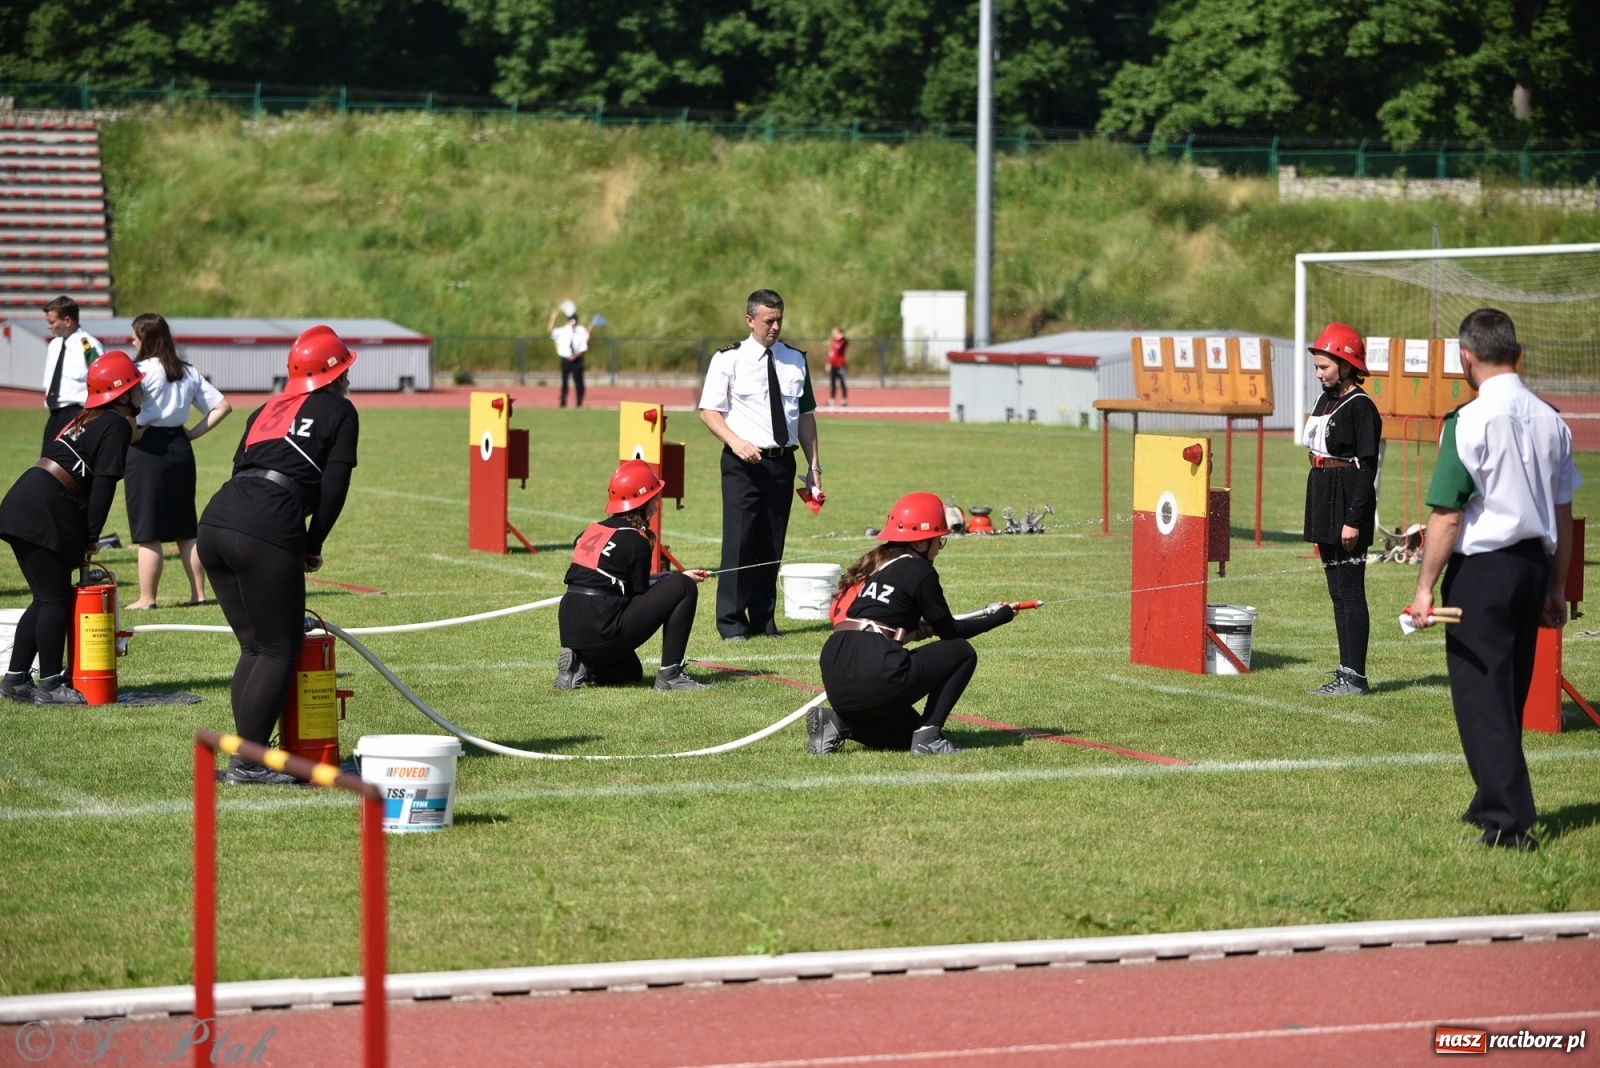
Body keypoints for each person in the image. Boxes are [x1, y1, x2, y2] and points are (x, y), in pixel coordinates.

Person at [1412, 308, 1579, 852]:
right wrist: (1555, 588)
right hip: (1533, 566)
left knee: (1482, 697)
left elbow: (1447, 515)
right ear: (1518, 351)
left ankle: (1509, 823)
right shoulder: (1552, 418)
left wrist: (1423, 588)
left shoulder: (1468, 420)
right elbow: (1562, 514)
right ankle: (1490, 800)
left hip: (1483, 571)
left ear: (1466, 357)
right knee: (1505, 693)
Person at [196, 327, 360, 786]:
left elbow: (237, 468)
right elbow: (335, 484)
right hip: (266, 527)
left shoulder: (266, 408)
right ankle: (248, 764)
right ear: (337, 373)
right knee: (277, 648)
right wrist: (313, 542)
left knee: (254, 647)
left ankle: (247, 753)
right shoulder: (340, 411)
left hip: (216, 520)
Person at [811, 492, 1016, 755]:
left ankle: (838, 722)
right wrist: (999, 618)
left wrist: (915, 630)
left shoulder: (878, 565)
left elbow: (868, 620)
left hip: (836, 670)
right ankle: (929, 738)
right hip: (875, 669)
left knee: (906, 737)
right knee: (961, 652)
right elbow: (950, 632)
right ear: (921, 542)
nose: (938, 548)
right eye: (938, 541)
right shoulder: (920, 571)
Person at [0, 352, 143, 705]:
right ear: (121, 394)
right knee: (54, 599)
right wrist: (91, 536)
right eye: (136, 386)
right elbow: (105, 484)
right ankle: (50, 685)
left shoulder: (89, 417)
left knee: (44, 597)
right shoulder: (116, 424)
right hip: (44, 507)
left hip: (26, 500)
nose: (142, 392)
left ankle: (16, 680)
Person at [698, 289, 822, 641]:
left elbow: (807, 416)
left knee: (772, 544)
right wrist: (736, 442)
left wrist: (814, 467)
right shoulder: (728, 360)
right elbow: (709, 411)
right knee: (739, 541)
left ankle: (764, 620)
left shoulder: (795, 359)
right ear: (750, 320)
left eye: (780, 319)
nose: (775, 326)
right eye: (769, 320)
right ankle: (731, 622)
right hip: (742, 464)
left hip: (782, 462)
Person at [555, 459, 712, 691]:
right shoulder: (635, 541)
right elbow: (638, 593)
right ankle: (671, 675)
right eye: (654, 500)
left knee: (630, 673)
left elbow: (620, 584)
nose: (657, 506)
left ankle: (582, 663)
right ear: (641, 503)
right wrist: (678, 581)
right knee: (684, 586)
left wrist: (665, 580)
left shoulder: (589, 532)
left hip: (571, 626)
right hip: (602, 625)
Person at [123, 313, 233, 609]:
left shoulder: (139, 371)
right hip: (180, 448)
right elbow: (223, 406)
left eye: (134, 336)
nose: (131, 341)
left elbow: (126, 411)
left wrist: (135, 432)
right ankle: (198, 594)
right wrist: (191, 434)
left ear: (145, 338)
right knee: (186, 529)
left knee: (148, 531)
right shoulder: (187, 370)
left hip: (147, 449)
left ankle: (147, 598)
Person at [1301, 322, 1383, 696]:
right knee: (1336, 591)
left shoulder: (1362, 407)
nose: (1319, 374)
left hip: (1346, 497)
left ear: (1347, 365)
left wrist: (1353, 520)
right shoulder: (1325, 399)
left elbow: (1367, 468)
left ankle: (1356, 677)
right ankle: (1345, 671)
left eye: (1325, 367)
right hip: (1322, 493)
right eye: (1318, 367)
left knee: (1350, 591)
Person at [39, 295, 106, 454]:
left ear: (67, 321)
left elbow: (101, 383)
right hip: (56, 414)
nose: (49, 326)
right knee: (47, 462)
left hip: (77, 414)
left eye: (52, 322)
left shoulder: (88, 346)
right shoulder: (54, 345)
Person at [548, 306, 591, 408]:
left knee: (578, 381)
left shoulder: (581, 331)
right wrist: (553, 319)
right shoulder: (563, 331)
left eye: (574, 322)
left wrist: (575, 355)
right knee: (564, 381)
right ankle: (563, 399)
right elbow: (551, 331)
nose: (573, 325)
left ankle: (579, 400)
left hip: (577, 359)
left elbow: (584, 346)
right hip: (566, 359)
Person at [826, 326, 848, 407]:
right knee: (832, 383)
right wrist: (828, 363)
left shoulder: (842, 341)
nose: (834, 334)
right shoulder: (834, 341)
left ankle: (844, 400)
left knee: (842, 382)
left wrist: (841, 336)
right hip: (833, 365)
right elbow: (831, 354)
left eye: (835, 332)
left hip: (840, 365)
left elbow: (845, 343)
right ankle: (831, 400)